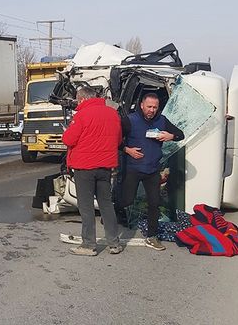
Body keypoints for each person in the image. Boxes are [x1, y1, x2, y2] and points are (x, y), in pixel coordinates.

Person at [62, 86, 123, 256]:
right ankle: (114, 243)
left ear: (81, 99)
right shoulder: (112, 114)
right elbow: (118, 140)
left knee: (86, 207)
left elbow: (68, 139)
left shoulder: (81, 115)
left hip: (84, 168)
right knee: (106, 205)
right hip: (105, 167)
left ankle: (89, 245)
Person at [119, 93, 184, 251]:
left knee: (154, 203)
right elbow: (114, 139)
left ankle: (152, 236)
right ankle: (115, 212)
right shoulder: (130, 120)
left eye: (155, 107)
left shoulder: (161, 120)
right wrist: (127, 149)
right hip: (133, 168)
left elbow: (180, 134)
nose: (152, 110)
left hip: (153, 169)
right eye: (149, 107)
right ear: (142, 105)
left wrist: (171, 136)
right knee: (127, 200)